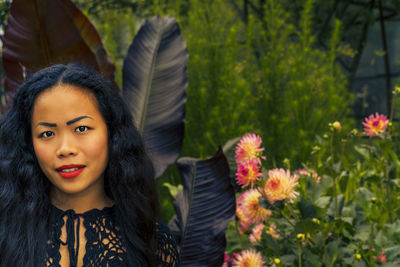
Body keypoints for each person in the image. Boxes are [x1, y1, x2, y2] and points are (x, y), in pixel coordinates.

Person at [0, 63, 180, 266]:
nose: (65, 148)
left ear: (111, 132)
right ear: (29, 143)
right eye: (47, 134)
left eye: (81, 128)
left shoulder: (151, 242)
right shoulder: (5, 236)